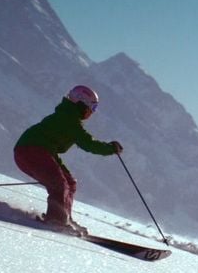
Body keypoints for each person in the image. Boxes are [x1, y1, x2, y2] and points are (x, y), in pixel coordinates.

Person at [14, 85, 123, 230]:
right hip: (31, 151)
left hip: (38, 151)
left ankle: (64, 217)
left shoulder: (68, 115)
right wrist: (110, 149)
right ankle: (56, 221)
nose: (92, 112)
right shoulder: (69, 119)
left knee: (69, 183)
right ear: (82, 103)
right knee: (59, 183)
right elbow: (88, 144)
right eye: (93, 107)